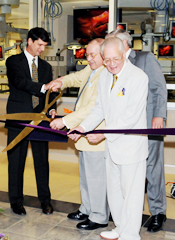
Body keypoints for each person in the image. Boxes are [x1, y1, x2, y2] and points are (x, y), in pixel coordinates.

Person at [69, 37, 148, 240]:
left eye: (116, 59)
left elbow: (130, 117)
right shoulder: (105, 77)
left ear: (124, 55)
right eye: (108, 60)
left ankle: (131, 234)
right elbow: (99, 109)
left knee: (131, 193)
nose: (111, 64)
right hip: (111, 147)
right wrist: (82, 127)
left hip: (130, 146)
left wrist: (103, 133)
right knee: (114, 191)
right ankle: (120, 228)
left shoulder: (138, 77)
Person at [106, 29, 168, 232]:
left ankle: (158, 212)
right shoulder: (114, 67)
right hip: (124, 130)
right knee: (130, 174)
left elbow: (160, 87)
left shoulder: (145, 58)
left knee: (152, 168)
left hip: (149, 124)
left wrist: (159, 116)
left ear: (124, 45)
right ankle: (133, 214)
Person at [50, 38, 109, 230]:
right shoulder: (92, 70)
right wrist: (60, 81)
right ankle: (87, 208)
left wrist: (66, 122)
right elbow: (75, 78)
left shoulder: (106, 75)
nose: (88, 58)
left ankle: (99, 216)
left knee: (96, 178)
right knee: (86, 176)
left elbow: (92, 108)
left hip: (96, 136)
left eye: (93, 55)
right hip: (84, 135)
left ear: (103, 55)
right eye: (87, 54)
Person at [5, 27, 56, 215]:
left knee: (42, 162)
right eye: (40, 45)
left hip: (40, 121)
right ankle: (16, 201)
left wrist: (51, 108)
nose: (42, 49)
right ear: (30, 41)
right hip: (19, 118)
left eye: (45, 46)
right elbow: (19, 82)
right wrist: (43, 87)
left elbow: (49, 96)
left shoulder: (47, 68)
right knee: (16, 162)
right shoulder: (13, 61)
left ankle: (45, 201)